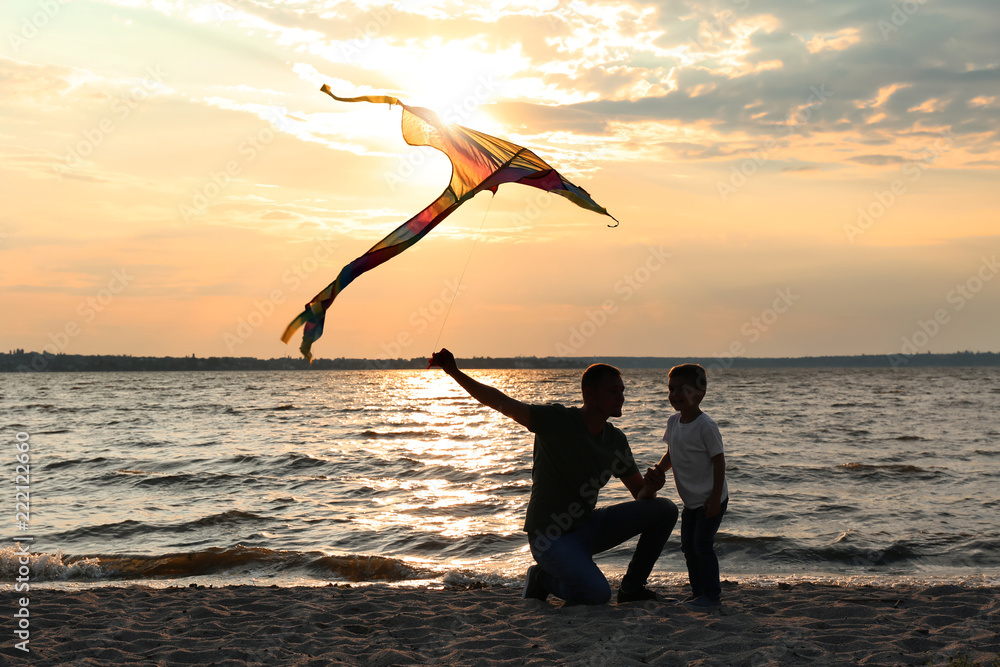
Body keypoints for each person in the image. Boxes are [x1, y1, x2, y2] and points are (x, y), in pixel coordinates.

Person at [430, 348, 678, 605]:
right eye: (613, 391)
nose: (621, 397)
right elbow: (500, 401)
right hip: (549, 536)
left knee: (664, 509)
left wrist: (651, 487)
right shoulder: (557, 420)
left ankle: (632, 589)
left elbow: (640, 495)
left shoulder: (615, 440)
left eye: (622, 391)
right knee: (597, 595)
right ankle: (541, 578)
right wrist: (455, 373)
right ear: (590, 393)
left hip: (587, 526)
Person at [639, 363, 728, 611]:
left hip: (712, 499)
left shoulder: (706, 426)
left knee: (702, 545)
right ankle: (698, 593)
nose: (674, 395)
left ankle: (712, 596)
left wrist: (714, 497)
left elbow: (719, 461)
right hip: (691, 500)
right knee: (689, 547)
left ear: (699, 393)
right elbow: (671, 453)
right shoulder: (673, 422)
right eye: (671, 389)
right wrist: (658, 470)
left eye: (682, 389)